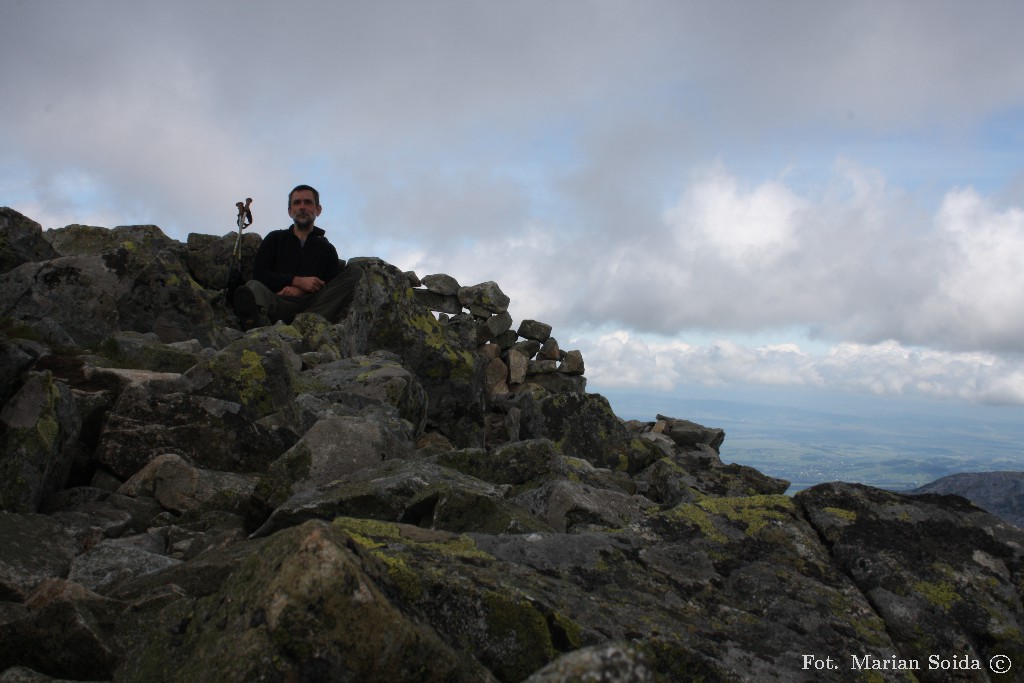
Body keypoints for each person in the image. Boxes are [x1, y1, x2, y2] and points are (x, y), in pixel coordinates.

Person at [232, 184, 363, 330]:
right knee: (253, 287)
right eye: (297, 203)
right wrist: (296, 281)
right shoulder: (275, 239)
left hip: (312, 305)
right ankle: (259, 325)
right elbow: (259, 274)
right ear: (290, 211)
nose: (302, 207)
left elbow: (330, 284)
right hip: (277, 301)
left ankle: (306, 324)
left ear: (318, 210)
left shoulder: (327, 249)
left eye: (307, 202)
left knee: (355, 273)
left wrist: (303, 290)